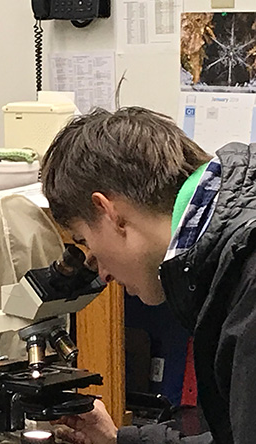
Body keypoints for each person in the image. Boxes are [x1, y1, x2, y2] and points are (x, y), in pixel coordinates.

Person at [40, 106, 254, 444]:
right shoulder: (234, 234)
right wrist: (120, 440)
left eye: (86, 242)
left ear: (109, 212)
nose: (103, 274)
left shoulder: (248, 282)